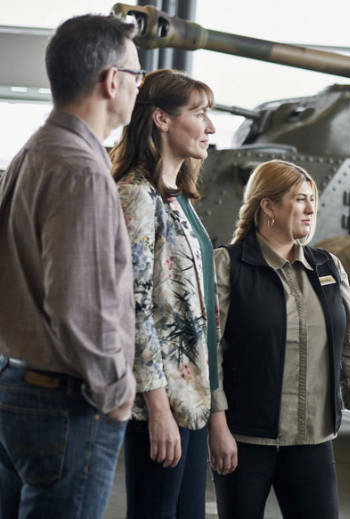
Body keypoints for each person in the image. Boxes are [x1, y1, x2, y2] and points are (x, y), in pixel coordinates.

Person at [0, 14, 140, 519]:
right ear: (111, 80)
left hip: (20, 384)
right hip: (65, 401)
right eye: (138, 75)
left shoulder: (35, 150)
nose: (140, 86)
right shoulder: (81, 169)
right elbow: (81, 303)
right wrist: (117, 392)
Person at [208, 159, 350, 519]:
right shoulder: (227, 265)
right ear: (268, 206)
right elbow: (209, 354)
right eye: (300, 199)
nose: (310, 208)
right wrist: (217, 425)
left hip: (312, 440)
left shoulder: (328, 266)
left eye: (312, 199)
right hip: (245, 439)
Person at [111, 69, 219, 519]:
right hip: (159, 404)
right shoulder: (136, 196)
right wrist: (157, 408)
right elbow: (132, 309)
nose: (211, 126)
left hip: (189, 400)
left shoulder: (177, 199)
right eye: (200, 113)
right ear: (161, 119)